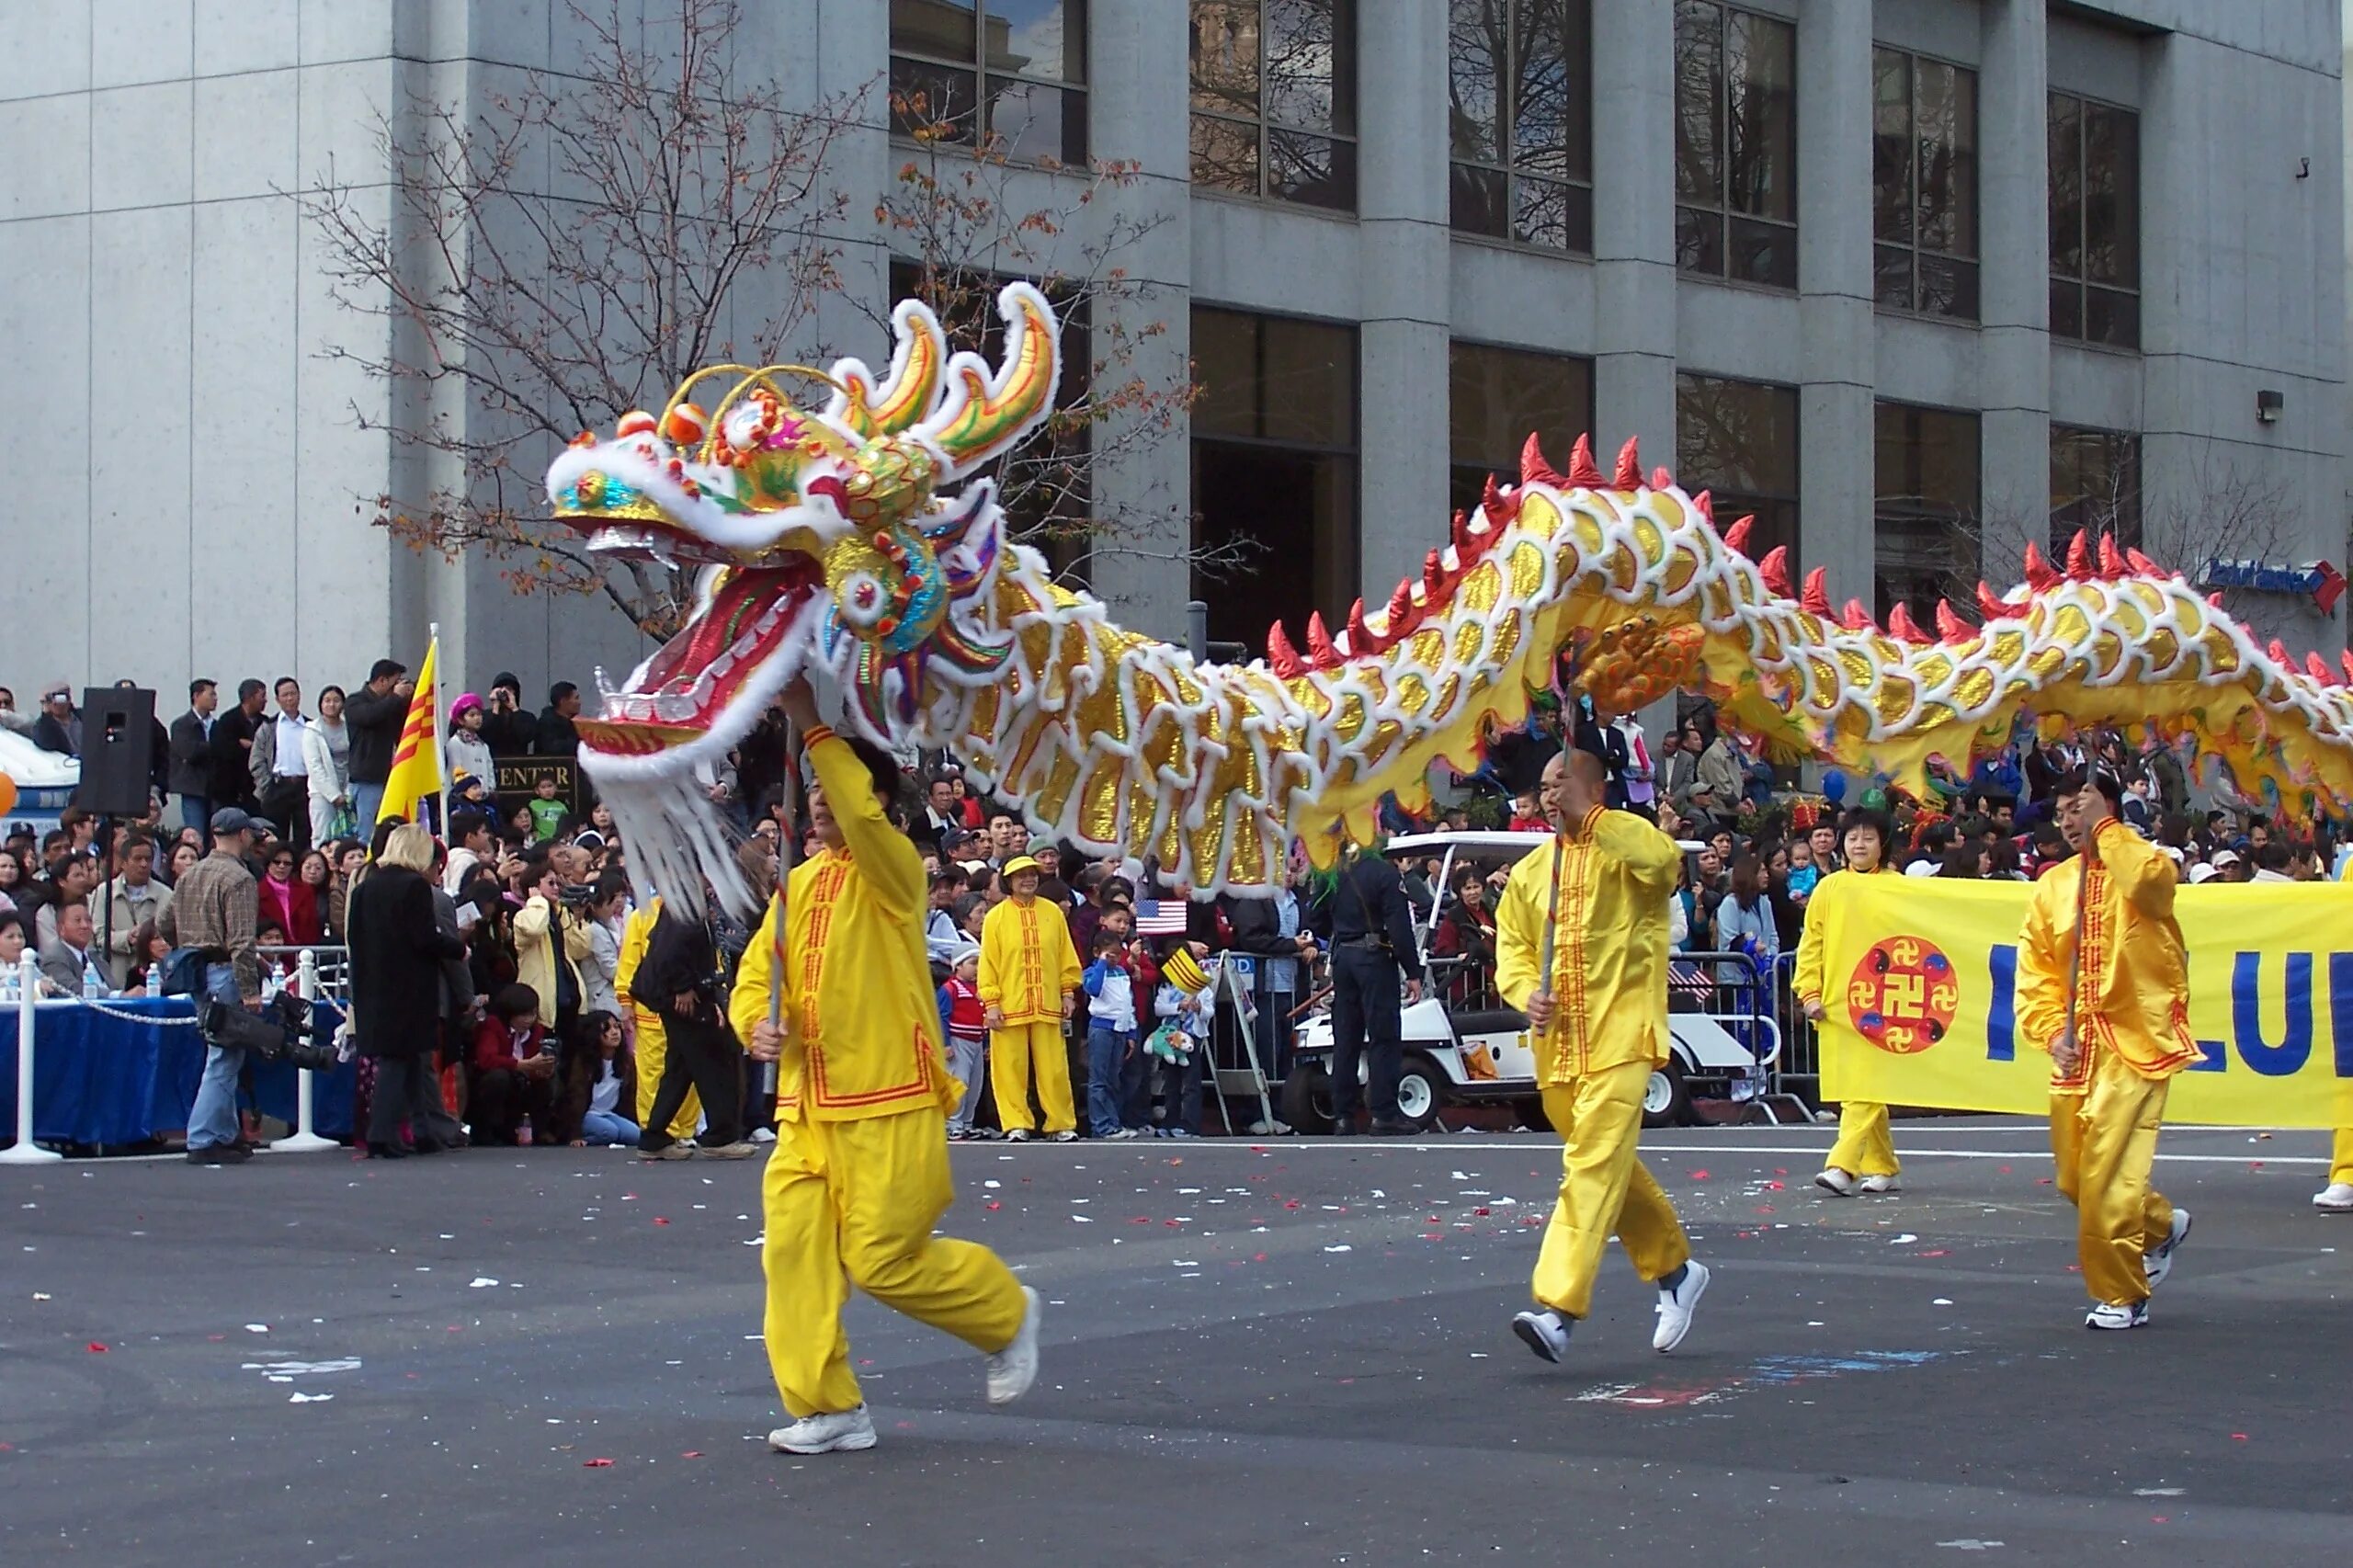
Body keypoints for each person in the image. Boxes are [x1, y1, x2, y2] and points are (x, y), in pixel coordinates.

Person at [733, 677, 1039, 1455]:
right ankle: (828, 1404)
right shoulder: (796, 885)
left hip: (888, 1099)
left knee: (883, 1261)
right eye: (815, 793)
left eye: (837, 789)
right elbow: (757, 980)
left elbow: (863, 818)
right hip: (807, 1109)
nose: (823, 803)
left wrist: (808, 723)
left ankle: (1004, 1314)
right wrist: (756, 1029)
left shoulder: (895, 869)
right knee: (795, 1259)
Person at [1497, 749, 1709, 1362]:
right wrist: (1524, 994)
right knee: (1607, 1162)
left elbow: (1662, 863)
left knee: (1591, 1162)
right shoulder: (1534, 871)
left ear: (1593, 788)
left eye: (1562, 782)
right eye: (1543, 786)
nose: (1549, 794)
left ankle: (1558, 1310)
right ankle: (1676, 1272)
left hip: (1622, 1035)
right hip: (1558, 1049)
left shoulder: (1630, 844)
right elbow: (1511, 946)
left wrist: (1592, 818)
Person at [2017, 767, 2196, 1329]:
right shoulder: (2053, 885)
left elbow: (2149, 888)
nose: (2070, 820)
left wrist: (2109, 830)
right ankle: (2161, 1225)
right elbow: (2037, 969)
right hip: (2077, 1049)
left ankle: (2122, 1292)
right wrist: (2052, 1029)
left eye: (2081, 806)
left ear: (2108, 806)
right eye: (2063, 811)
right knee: (2075, 1179)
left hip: (2133, 1041)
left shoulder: (2146, 862)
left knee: (2106, 1174)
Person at [1794, 808, 1904, 1197]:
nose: (1859, 844)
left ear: (1883, 844)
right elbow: (1812, 945)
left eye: (1869, 837)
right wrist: (1809, 992)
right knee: (1858, 1085)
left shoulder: (1897, 886)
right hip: (1839, 1002)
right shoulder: (1828, 888)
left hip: (1887, 1001)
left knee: (1864, 1083)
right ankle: (1884, 1165)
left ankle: (1842, 1165)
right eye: (1853, 837)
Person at [345, 824, 468, 1157]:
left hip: (374, 984)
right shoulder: (414, 887)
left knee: (413, 1060)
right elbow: (424, 938)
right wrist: (458, 949)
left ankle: (425, 1130)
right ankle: (382, 1134)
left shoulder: (364, 888)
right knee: (399, 1061)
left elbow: (355, 940)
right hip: (408, 986)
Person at [158, 808, 268, 1165]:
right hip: (224, 968)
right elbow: (241, 942)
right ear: (243, 835)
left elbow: (163, 921)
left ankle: (221, 1132)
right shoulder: (238, 878)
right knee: (224, 1053)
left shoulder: (192, 875)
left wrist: (185, 944)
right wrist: (250, 989)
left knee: (222, 1050)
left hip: (196, 969)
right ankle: (204, 1136)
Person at [631, 897, 752, 1158]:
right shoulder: (685, 903)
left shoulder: (685, 901)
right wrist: (682, 986)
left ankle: (653, 1138)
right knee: (712, 1060)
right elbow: (669, 951)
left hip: (685, 992)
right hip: (682, 996)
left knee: (679, 1068)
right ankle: (720, 1136)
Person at [978, 853, 1082, 1142]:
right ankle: (1015, 1123)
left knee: (1055, 1068)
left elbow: (1065, 957)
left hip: (1048, 1002)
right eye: (1021, 875)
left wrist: (1067, 992)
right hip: (1009, 1005)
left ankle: (1060, 1124)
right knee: (1009, 1069)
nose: (1028, 879)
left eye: (1032, 874)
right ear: (1009, 881)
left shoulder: (1053, 913)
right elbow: (989, 963)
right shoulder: (995, 918)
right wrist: (991, 1002)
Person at [1325, 842, 1423, 1135]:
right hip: (1373, 953)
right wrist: (1413, 970)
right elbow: (1399, 926)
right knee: (1383, 1036)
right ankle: (1384, 1113)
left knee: (1346, 1037)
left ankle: (1342, 1115)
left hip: (1342, 955)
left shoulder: (1331, 874)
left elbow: (1316, 918)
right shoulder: (1384, 874)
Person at [468, 983, 558, 1145]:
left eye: (531, 1014)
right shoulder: (493, 1026)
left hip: (523, 1083)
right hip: (496, 1085)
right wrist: (522, 1064)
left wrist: (544, 1068)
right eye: (522, 1016)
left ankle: (539, 1130)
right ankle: (490, 1131)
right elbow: (486, 1059)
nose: (527, 1020)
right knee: (498, 1078)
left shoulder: (537, 1031)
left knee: (548, 1083)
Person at [1080, 925, 1142, 1139]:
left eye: (1118, 955)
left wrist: (1132, 1033)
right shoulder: (1092, 972)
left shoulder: (1122, 972)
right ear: (1098, 952)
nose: (1115, 959)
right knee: (1099, 1079)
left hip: (1121, 1027)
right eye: (1110, 955)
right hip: (1101, 1028)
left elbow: (1128, 1002)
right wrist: (1101, 965)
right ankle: (1101, 1125)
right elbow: (1094, 990)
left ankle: (1114, 1122)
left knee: (1113, 1078)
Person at [96, 834, 171, 990]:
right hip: (117, 975)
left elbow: (172, 938)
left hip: (154, 979)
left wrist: (148, 940)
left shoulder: (166, 894)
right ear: (123, 863)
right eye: (137, 859)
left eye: (148, 859)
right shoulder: (104, 892)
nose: (144, 864)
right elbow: (99, 937)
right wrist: (127, 938)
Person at [344, 659, 412, 828]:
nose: (398, 687)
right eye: (395, 682)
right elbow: (370, 716)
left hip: (389, 777)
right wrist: (396, 697)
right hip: (367, 778)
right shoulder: (355, 701)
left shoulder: (392, 704)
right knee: (366, 832)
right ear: (382, 680)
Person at [249, 676, 313, 853]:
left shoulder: (311, 726)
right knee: (276, 837)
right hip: (277, 786)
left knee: (304, 835)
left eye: (293, 694)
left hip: (304, 786)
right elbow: (256, 759)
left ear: (299, 695)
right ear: (277, 699)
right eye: (285, 695)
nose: (290, 698)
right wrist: (265, 785)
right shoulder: (268, 727)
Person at [559, 1009, 638, 1146]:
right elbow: (576, 1098)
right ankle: (585, 1140)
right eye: (606, 1029)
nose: (614, 1032)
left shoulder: (626, 1061)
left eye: (616, 1026)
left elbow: (630, 1097)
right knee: (609, 1131)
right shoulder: (585, 1062)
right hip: (587, 1114)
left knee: (635, 1135)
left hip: (608, 1113)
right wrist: (575, 1134)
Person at [937, 940, 991, 1140]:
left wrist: (985, 1043)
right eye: (973, 963)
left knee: (975, 1084)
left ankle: (968, 1121)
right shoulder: (951, 989)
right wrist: (945, 1043)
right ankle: (953, 1122)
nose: (977, 968)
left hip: (975, 1040)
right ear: (958, 965)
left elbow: (982, 1017)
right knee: (960, 1081)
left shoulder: (980, 989)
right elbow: (941, 1016)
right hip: (958, 1040)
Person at [301, 685, 353, 846]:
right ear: (321, 704)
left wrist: (346, 793)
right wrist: (333, 795)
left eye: (336, 700)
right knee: (322, 836)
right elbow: (314, 766)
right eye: (327, 701)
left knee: (348, 836)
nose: (332, 705)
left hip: (348, 790)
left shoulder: (349, 728)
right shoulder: (312, 730)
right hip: (322, 794)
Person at [168, 678, 219, 832]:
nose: (215, 699)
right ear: (196, 696)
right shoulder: (181, 725)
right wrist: (214, 747)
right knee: (196, 832)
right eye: (211, 694)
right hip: (192, 787)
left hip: (215, 787)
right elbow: (189, 752)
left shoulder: (217, 725)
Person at [256, 843, 324, 949]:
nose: (282, 866)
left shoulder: (305, 891)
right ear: (268, 863)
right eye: (277, 862)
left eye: (287, 863)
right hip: (272, 954)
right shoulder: (257, 892)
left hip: (305, 954)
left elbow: (312, 927)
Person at [40, 900, 104, 994]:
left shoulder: (95, 956)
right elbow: (73, 990)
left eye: (88, 920)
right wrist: (116, 995)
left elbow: (114, 987)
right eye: (77, 920)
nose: (85, 925)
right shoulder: (54, 958)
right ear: (61, 928)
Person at [481, 673, 540, 756]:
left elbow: (526, 736)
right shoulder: (484, 716)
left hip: (517, 764)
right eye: (500, 689)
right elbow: (487, 736)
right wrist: (495, 707)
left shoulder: (527, 717)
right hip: (491, 762)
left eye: (509, 689)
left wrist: (515, 709)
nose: (504, 693)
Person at [445, 693, 494, 785]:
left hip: (483, 796)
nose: (477, 718)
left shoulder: (483, 745)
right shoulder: (455, 743)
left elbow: (490, 771)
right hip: (464, 796)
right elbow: (456, 771)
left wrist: (490, 788)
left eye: (479, 714)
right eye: (472, 715)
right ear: (461, 720)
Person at [536, 682, 583, 761]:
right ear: (563, 701)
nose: (579, 702)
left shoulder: (576, 723)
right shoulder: (546, 724)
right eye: (576, 698)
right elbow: (553, 749)